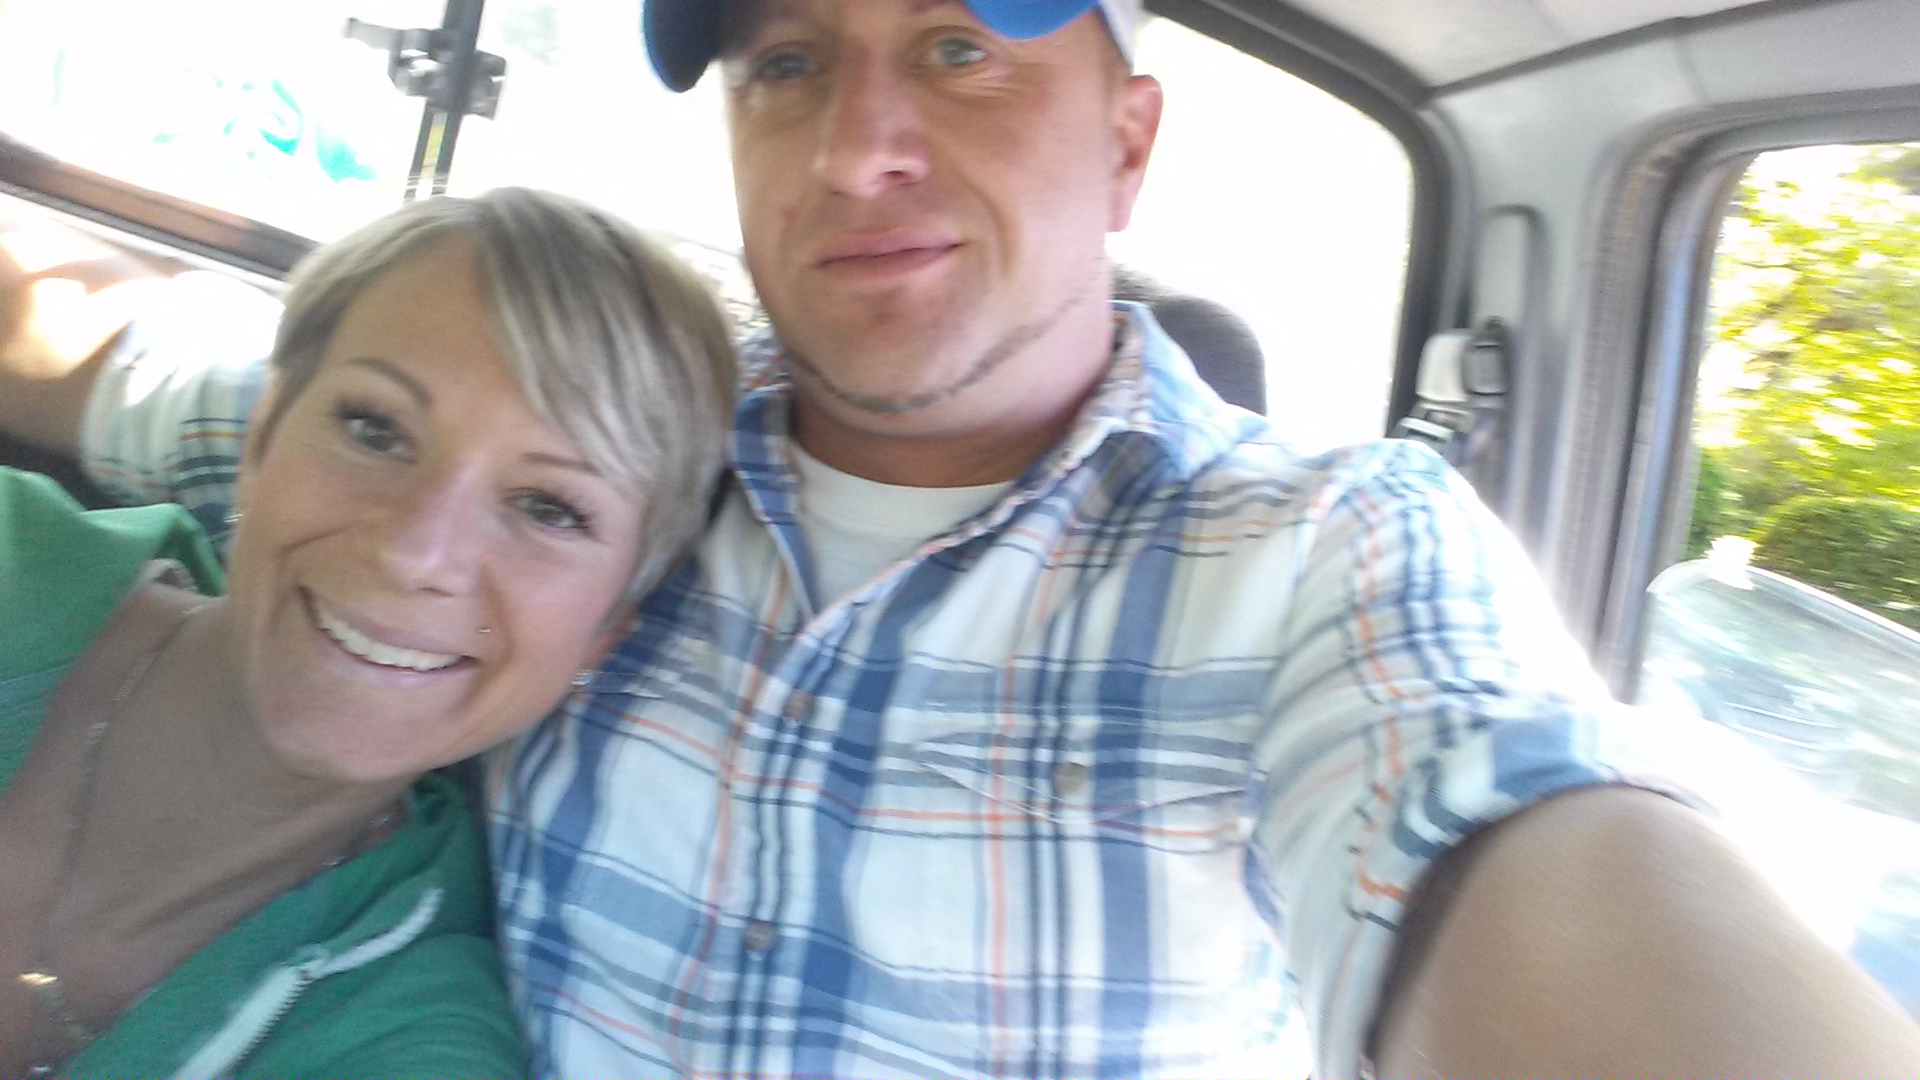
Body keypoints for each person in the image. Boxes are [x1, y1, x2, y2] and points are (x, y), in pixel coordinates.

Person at [5, 0, 1920, 1077]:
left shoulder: (1326, 556)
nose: (856, 148)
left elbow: (1524, 821)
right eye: (786, 62)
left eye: (961, 47)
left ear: (1132, 142)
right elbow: (149, 375)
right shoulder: (601, 444)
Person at [0, 187, 735, 1078]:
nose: (415, 551)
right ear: (262, 438)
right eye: (375, 430)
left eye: (549, 507)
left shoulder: (416, 1029)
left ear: (608, 630)